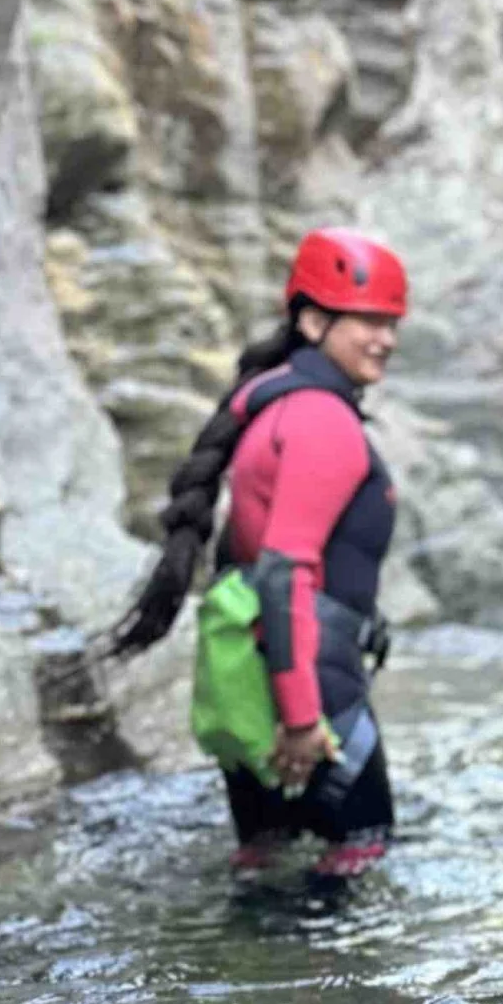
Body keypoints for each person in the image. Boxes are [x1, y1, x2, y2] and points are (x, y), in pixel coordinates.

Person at [110, 227, 406, 878]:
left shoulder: (272, 406)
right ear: (312, 319)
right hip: (310, 688)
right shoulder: (322, 418)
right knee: (361, 855)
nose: (385, 337)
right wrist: (302, 720)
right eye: (367, 320)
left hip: (253, 680)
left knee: (262, 873)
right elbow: (282, 572)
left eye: (391, 321)